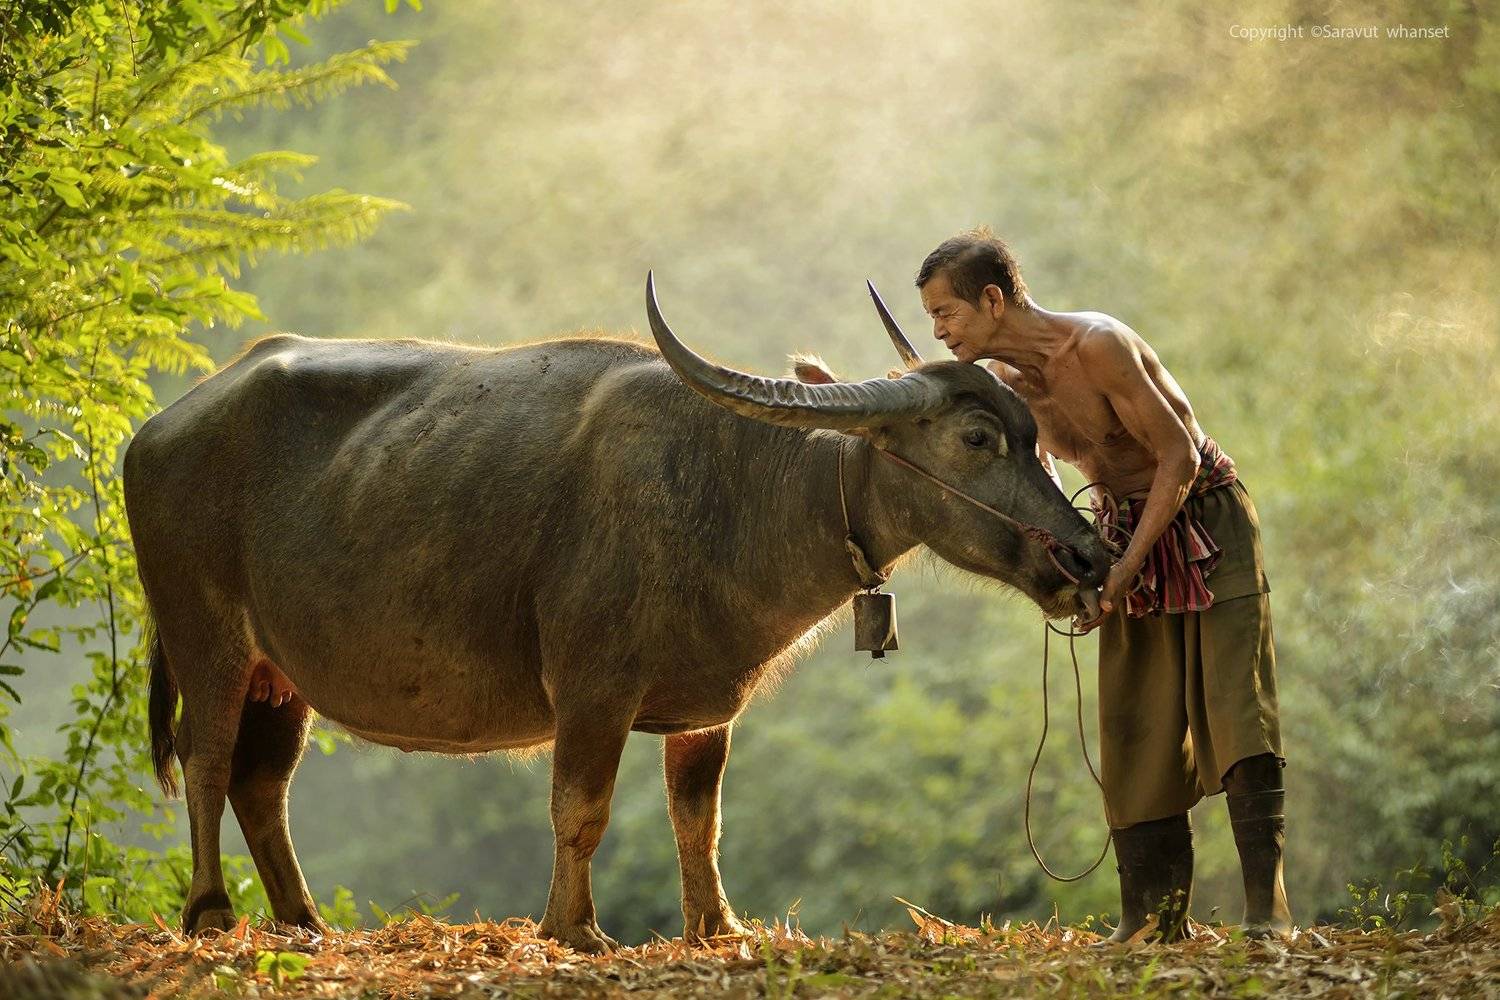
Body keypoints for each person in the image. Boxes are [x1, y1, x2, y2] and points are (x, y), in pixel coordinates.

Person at [914, 228, 1291, 941]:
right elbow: (1041, 475)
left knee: (1237, 711)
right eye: (932, 317)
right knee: (1132, 725)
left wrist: (1123, 568)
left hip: (1206, 521)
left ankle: (1266, 916)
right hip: (1120, 529)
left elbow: (1177, 456)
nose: (937, 329)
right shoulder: (1008, 391)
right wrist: (1081, 562)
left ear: (992, 300)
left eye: (947, 313)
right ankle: (1152, 922)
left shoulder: (1098, 346)